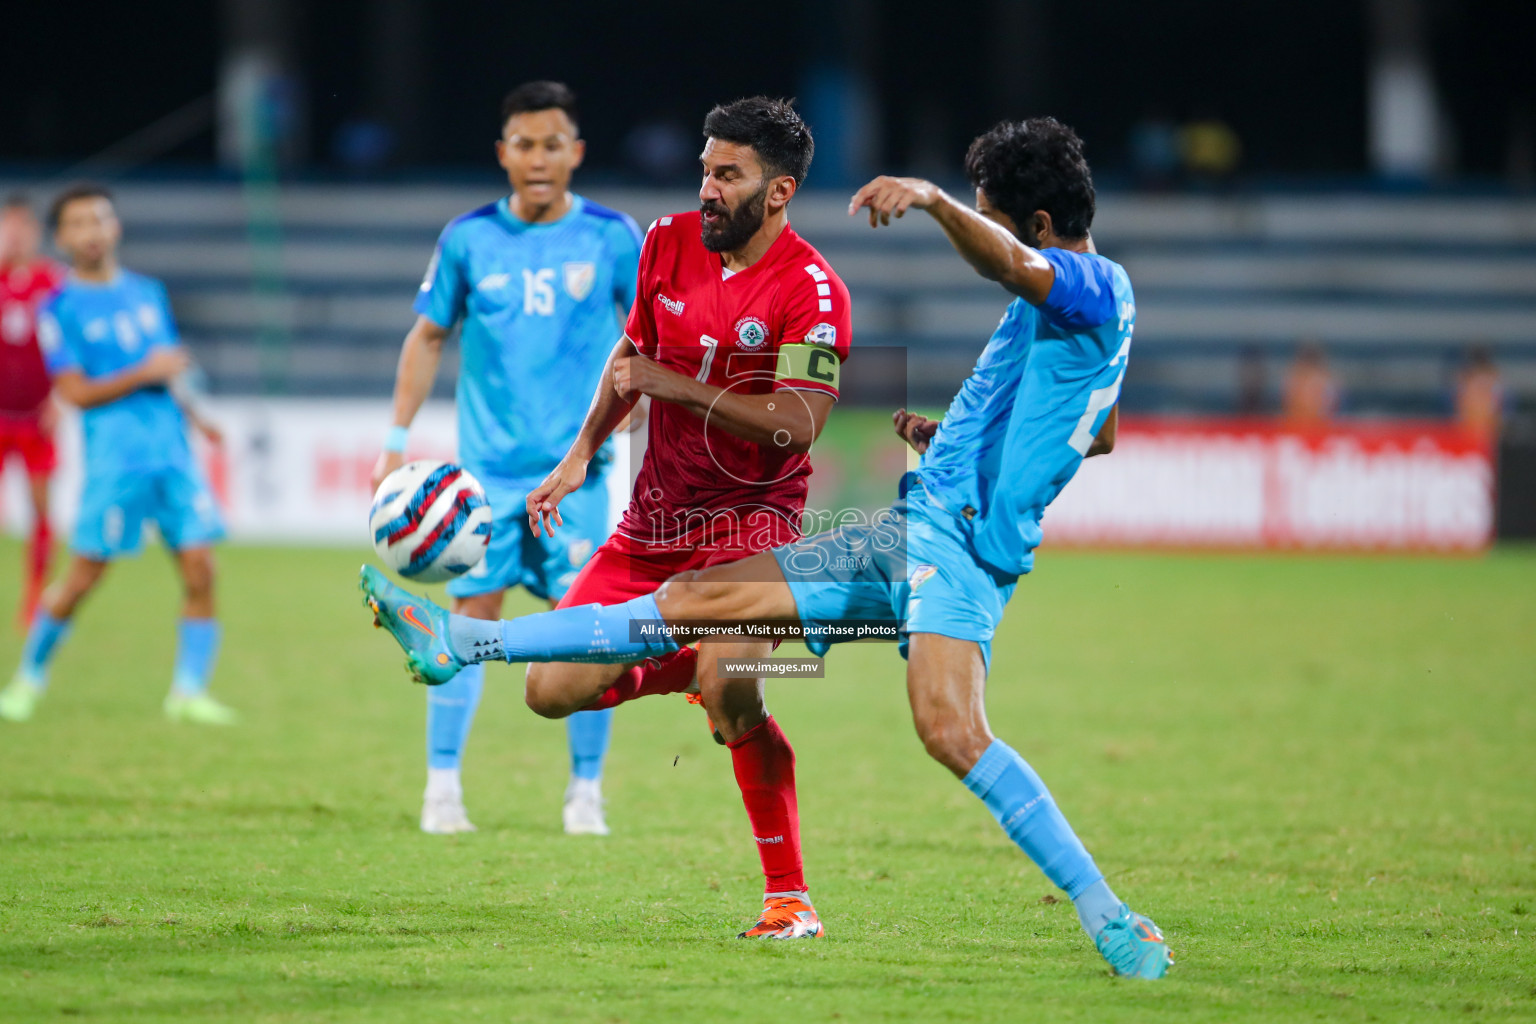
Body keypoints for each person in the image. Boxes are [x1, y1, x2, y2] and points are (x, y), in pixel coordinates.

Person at [360, 116, 1173, 979]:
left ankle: (1112, 915)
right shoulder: (1083, 319)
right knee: (694, 608)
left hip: (960, 551)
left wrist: (933, 200)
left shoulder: (1080, 282)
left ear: (1039, 227)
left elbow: (1009, 265)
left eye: (990, 215)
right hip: (906, 527)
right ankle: (461, 642)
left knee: (949, 731)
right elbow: (1103, 429)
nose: (707, 188)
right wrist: (962, 437)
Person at [520, 95, 850, 940]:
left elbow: (798, 424)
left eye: (727, 175)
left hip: (754, 530)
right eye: (705, 169)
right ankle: (686, 660)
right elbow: (630, 359)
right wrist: (582, 450)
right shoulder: (665, 243)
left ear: (777, 193)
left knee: (734, 686)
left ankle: (790, 900)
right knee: (548, 690)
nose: (706, 188)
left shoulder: (813, 291)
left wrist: (682, 389)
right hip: (653, 529)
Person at [371, 81, 643, 837]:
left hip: (578, 477)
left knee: (590, 628)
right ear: (502, 153)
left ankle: (585, 792)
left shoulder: (614, 237)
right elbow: (427, 336)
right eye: (523, 144)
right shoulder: (467, 240)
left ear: (576, 153)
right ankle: (442, 789)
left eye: (553, 143)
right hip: (484, 482)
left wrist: (643, 415)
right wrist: (395, 440)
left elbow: (649, 335)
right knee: (471, 616)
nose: (538, 158)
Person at [0, 185, 232, 724]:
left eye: (98, 220)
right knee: (85, 575)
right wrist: (140, 374)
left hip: (172, 452)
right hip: (116, 458)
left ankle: (189, 692)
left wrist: (200, 416)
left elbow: (172, 364)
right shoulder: (59, 307)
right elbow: (75, 393)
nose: (90, 231)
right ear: (62, 238)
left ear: (115, 228)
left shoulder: (148, 292)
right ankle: (27, 680)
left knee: (201, 568)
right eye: (78, 224)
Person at [0, 195, 66, 628]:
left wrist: (60, 396)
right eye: (8, 227)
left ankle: (35, 595)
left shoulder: (54, 284)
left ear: (36, 233)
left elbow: (70, 346)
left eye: (23, 227)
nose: (15, 235)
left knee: (41, 506)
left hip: (36, 416)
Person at [1453, 345, 1505, 443]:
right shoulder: (1465, 378)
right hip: (1469, 427)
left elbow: (1498, 404)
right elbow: (1460, 403)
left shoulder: (1493, 377)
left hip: (1488, 428)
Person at [1282, 341, 1339, 429]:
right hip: (1296, 424)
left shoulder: (1325, 379)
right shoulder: (1294, 378)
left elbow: (1331, 406)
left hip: (1320, 427)